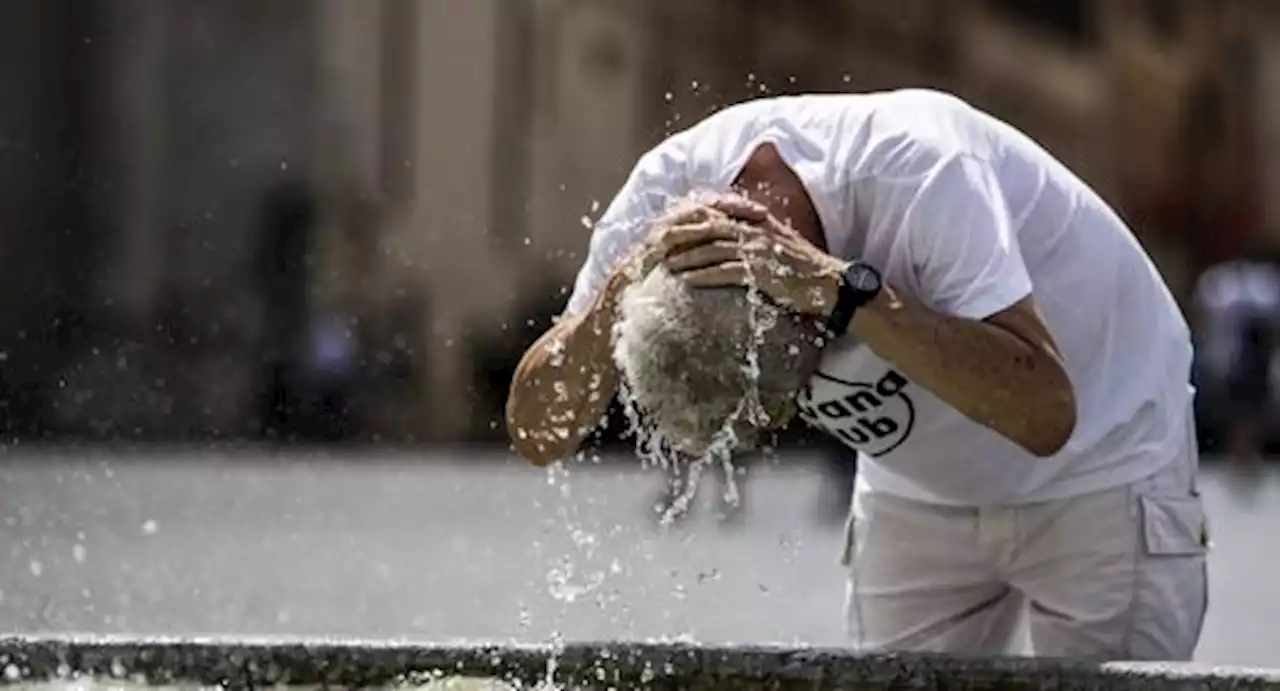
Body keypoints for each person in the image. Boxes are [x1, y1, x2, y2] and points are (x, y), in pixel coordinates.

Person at [505, 89, 1206, 660]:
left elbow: (1047, 414)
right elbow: (538, 432)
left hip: (1104, 453)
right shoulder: (662, 198)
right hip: (916, 483)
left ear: (813, 328)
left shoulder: (921, 168)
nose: (788, 425)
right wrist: (618, 289)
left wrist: (846, 292)